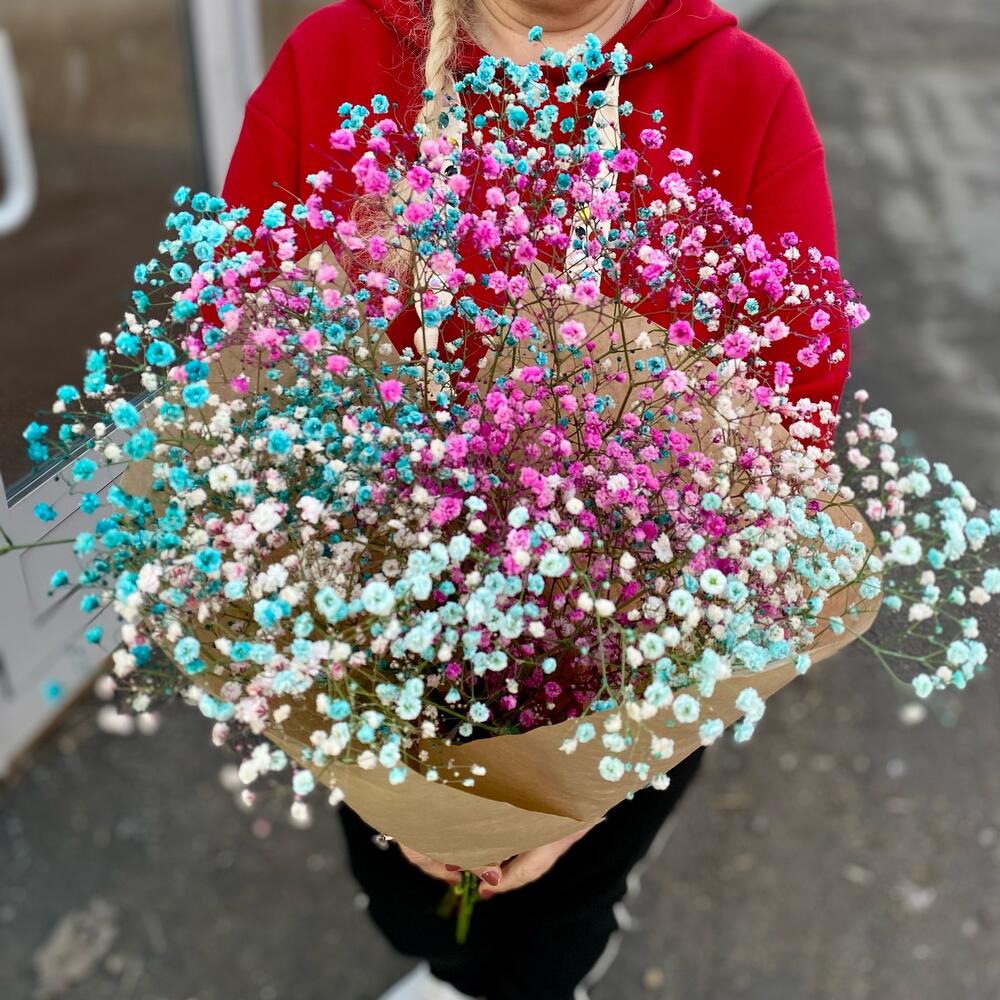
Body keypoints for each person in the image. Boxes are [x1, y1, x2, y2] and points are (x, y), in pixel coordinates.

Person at [220, 2, 850, 997]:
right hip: (375, 653)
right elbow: (243, 354)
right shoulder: (335, 57)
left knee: (559, 920)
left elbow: (788, 426)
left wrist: (585, 787)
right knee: (406, 903)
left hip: (625, 667)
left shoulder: (741, 95)